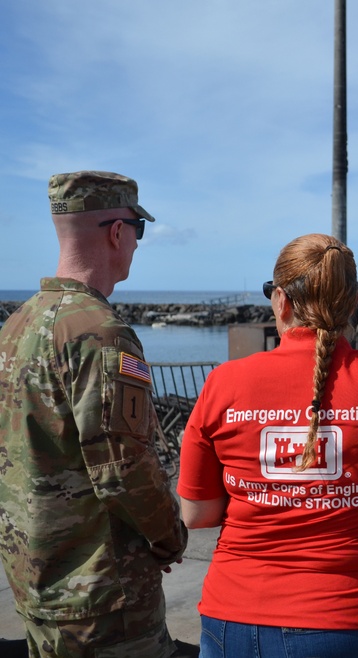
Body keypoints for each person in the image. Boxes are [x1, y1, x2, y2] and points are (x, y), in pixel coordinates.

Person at [177, 233, 358, 658]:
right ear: (352, 304)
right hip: (357, 621)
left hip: (235, 616)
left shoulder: (224, 383)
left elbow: (197, 514)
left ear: (282, 301)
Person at [0, 171, 189, 657]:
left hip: (37, 585)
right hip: (104, 603)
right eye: (138, 230)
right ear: (117, 232)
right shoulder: (102, 333)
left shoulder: (15, 327)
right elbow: (123, 469)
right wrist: (169, 536)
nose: (137, 243)